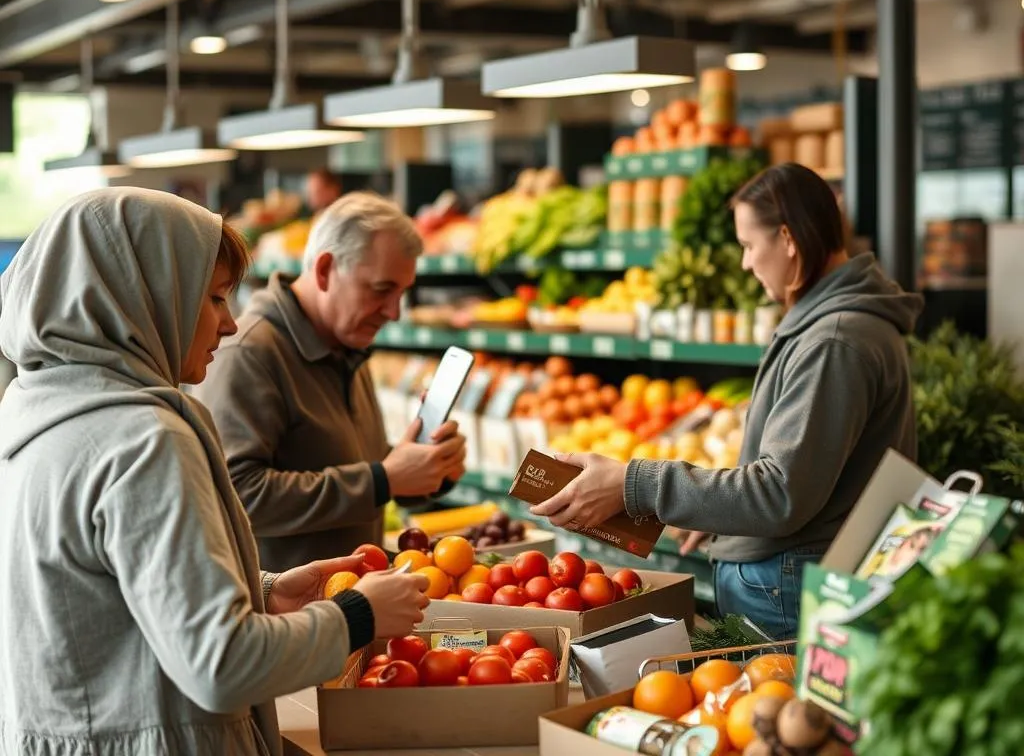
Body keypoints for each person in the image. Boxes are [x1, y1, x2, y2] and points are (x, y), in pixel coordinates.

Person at [0, 188, 429, 755]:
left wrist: (264, 591)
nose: (228, 326)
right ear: (145, 297)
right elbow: (221, 665)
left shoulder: (37, 408)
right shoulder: (144, 440)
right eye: (216, 298)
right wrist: (358, 615)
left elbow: (109, 596)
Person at [530, 163, 924, 640]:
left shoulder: (833, 340)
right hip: (795, 570)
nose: (745, 264)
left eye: (748, 246)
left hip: (790, 582)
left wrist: (634, 484)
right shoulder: (833, 324)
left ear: (788, 239)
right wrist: (714, 512)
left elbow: (780, 493)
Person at [194, 191, 466, 572]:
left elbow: (338, 458)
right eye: (381, 289)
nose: (394, 312)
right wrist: (381, 480)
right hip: (287, 618)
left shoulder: (344, 343)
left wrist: (423, 470)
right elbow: (237, 494)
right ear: (324, 270)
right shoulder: (248, 353)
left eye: (402, 293)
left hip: (351, 607)